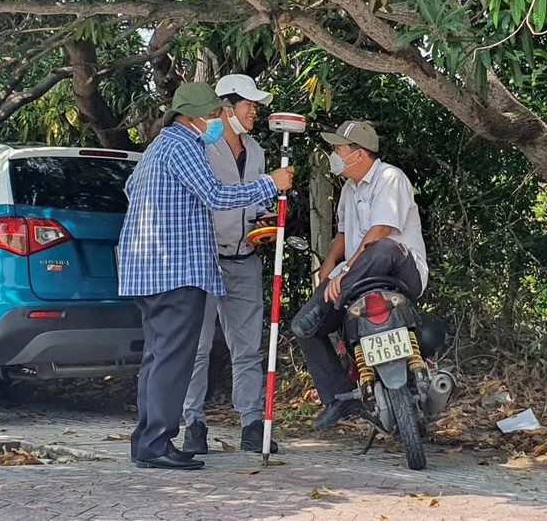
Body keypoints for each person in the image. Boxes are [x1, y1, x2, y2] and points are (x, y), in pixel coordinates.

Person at [118, 82, 293, 470]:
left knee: (158, 355)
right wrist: (271, 183)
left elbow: (131, 188)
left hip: (151, 269)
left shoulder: (159, 147)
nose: (218, 120)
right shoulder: (183, 145)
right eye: (213, 115)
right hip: (175, 270)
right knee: (174, 358)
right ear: (191, 116)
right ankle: (158, 443)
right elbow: (216, 196)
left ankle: (147, 442)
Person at [291, 121, 428, 430]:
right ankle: (339, 397)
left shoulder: (389, 177)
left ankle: (336, 298)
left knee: (384, 246)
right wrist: (330, 264)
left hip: (401, 272)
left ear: (360, 154)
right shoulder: (349, 190)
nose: (334, 156)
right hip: (354, 278)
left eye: (339, 149)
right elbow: (342, 233)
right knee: (304, 327)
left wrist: (346, 272)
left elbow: (381, 230)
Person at [180, 74, 279, 455]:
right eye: (249, 104)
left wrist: (265, 221)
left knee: (248, 348)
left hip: (245, 258)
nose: (254, 111)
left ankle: (252, 424)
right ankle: (194, 424)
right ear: (226, 107)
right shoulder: (201, 148)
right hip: (204, 259)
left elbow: (256, 203)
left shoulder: (256, 151)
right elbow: (211, 197)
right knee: (197, 347)